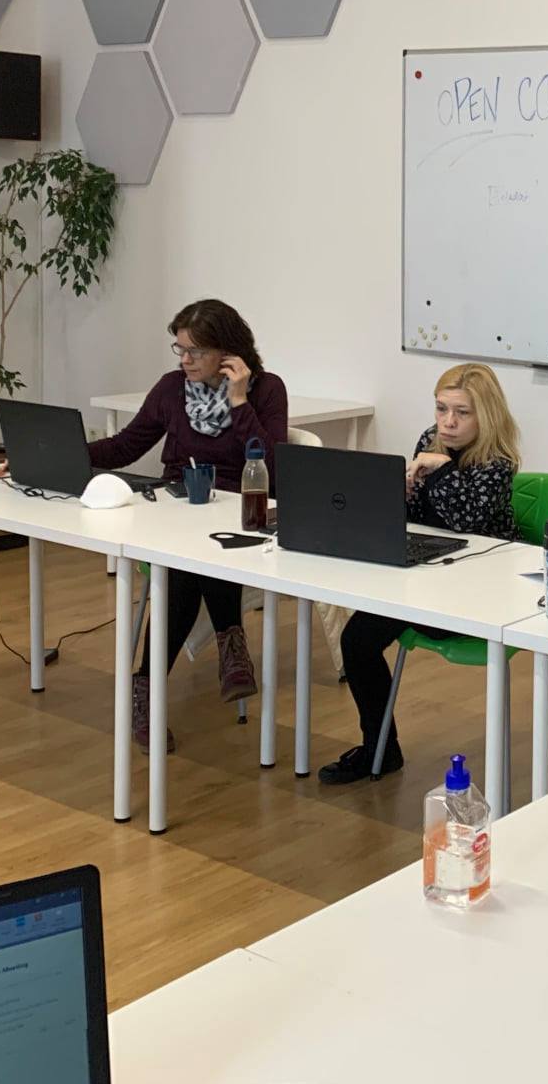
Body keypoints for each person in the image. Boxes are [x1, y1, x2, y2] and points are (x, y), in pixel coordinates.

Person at [89, 298, 287, 752]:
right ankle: (231, 645)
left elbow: (275, 467)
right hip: (177, 506)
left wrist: (239, 402)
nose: (185, 360)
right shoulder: (171, 389)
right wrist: (67, 455)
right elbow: (125, 446)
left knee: (189, 561)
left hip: (241, 512)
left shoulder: (266, 390)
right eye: (180, 349)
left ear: (229, 352)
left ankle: (145, 687)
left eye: (196, 351)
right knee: (187, 555)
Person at [319, 363, 520, 784]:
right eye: (441, 409)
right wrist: (401, 492)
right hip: (426, 575)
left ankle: (378, 749)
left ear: (486, 415)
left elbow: (466, 520)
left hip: (477, 591)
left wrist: (440, 470)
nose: (448, 422)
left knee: (367, 632)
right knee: (356, 640)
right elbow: (417, 518)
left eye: (462, 412)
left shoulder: (498, 462)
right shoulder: (429, 442)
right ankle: (380, 748)